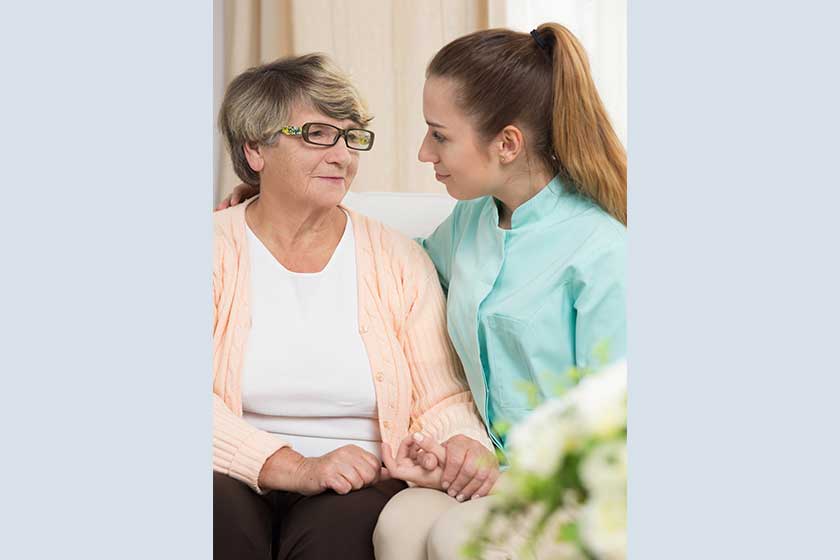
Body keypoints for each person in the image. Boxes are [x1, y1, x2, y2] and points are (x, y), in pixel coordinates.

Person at [220, 22, 626, 559]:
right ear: (256, 150)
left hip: (573, 482)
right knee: (401, 524)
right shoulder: (471, 224)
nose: (422, 152)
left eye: (440, 134)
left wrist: (476, 458)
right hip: (484, 471)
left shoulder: (603, 254)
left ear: (506, 144)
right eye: (319, 135)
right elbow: (388, 268)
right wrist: (269, 207)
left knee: (440, 533)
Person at [212, 53, 493, 560]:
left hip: (360, 477)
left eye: (350, 137)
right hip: (226, 470)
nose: (342, 155)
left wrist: (459, 446)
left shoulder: (398, 259)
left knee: (337, 540)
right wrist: (291, 465)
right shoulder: (209, 249)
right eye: (317, 133)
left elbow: (441, 398)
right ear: (255, 148)